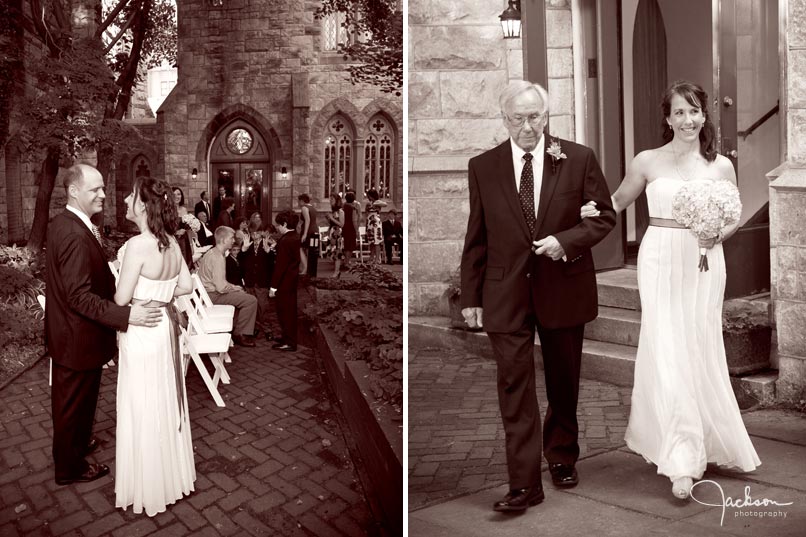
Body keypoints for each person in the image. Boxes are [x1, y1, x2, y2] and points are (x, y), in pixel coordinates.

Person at [581, 80, 760, 499]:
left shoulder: (721, 166)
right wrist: (583, 207)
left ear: (704, 116)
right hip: (660, 258)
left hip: (703, 260)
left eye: (694, 111)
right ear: (667, 118)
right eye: (679, 112)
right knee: (668, 348)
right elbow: (617, 201)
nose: (688, 120)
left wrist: (716, 234)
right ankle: (682, 458)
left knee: (699, 345)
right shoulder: (646, 161)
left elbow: (733, 214)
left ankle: (705, 439)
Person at [460, 81, 616, 513]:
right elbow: (477, 236)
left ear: (546, 117)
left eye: (535, 117)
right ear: (503, 119)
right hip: (504, 293)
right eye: (518, 118)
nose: (527, 127)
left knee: (563, 381)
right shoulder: (483, 166)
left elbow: (604, 216)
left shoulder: (578, 157)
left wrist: (566, 241)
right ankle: (524, 484)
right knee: (514, 386)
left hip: (563, 287)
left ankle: (562, 454)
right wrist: (471, 296)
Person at [44, 164, 162, 486]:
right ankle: (69, 467)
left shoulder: (75, 225)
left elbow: (95, 281)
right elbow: (79, 297)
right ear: (73, 191)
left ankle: (79, 443)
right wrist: (126, 316)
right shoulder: (71, 232)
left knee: (82, 401)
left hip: (81, 336)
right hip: (75, 338)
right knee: (71, 406)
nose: (103, 194)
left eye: (102, 188)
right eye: (95, 189)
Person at [114, 175, 196, 516]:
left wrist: (123, 275)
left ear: (144, 205)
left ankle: (148, 488)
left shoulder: (138, 245)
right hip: (164, 330)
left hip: (143, 332)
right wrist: (161, 295)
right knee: (162, 399)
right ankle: (172, 480)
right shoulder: (173, 245)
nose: (124, 201)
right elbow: (186, 286)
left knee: (142, 404)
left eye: (131, 196)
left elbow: (120, 299)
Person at [196, 226, 259, 347]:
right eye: (231, 238)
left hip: (209, 293)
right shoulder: (218, 257)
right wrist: (235, 288)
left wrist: (234, 288)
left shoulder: (212, 252)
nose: (233, 241)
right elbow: (221, 288)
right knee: (251, 300)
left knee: (241, 294)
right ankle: (240, 333)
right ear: (224, 240)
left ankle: (239, 328)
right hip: (213, 296)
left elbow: (220, 283)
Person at [270, 211, 301, 351]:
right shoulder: (294, 237)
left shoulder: (285, 240)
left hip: (284, 282)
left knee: (285, 312)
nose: (277, 227)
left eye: (278, 224)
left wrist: (273, 287)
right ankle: (287, 337)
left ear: (285, 224)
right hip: (292, 279)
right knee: (289, 311)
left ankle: (289, 342)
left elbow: (280, 267)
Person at [297, 193, 318, 276]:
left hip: (308, 230)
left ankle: (305, 268)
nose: (298, 203)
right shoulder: (312, 208)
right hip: (314, 229)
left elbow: (307, 220)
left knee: (300, 248)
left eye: (299, 201)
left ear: (302, 201)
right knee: (310, 250)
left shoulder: (304, 208)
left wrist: (304, 234)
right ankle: (309, 269)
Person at [172, 187, 194, 268]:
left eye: (178, 194)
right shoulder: (167, 210)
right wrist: (175, 232)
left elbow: (187, 226)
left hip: (184, 241)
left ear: (181, 196)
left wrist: (191, 245)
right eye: (173, 194)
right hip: (173, 240)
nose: (176, 196)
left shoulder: (184, 209)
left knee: (185, 264)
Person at [325, 193, 345, 277]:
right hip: (333, 232)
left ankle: (336, 271)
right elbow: (332, 223)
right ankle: (336, 271)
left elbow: (341, 224)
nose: (330, 201)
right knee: (333, 253)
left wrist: (332, 218)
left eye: (332, 199)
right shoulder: (333, 211)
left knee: (337, 253)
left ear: (336, 201)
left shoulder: (340, 211)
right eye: (330, 199)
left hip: (338, 233)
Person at [365, 188, 386, 264]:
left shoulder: (378, 202)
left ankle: (377, 258)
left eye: (369, 196)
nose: (368, 197)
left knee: (377, 241)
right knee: (371, 241)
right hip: (370, 222)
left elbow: (385, 204)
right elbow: (366, 213)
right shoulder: (368, 203)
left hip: (376, 223)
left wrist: (375, 204)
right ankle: (371, 257)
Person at [342, 190, 360, 266]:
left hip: (344, 227)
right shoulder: (353, 208)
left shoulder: (343, 206)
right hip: (351, 228)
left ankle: (346, 261)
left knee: (346, 245)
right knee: (350, 246)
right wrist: (357, 231)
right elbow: (354, 220)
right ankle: (347, 261)